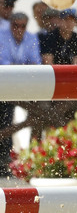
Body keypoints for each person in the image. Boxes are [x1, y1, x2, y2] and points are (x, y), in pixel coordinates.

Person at [0, 12, 41, 176]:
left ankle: (31, 159)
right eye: (15, 25)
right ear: (10, 25)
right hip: (5, 85)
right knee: (6, 119)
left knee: (38, 115)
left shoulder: (31, 38)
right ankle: (5, 161)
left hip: (23, 86)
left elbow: (36, 62)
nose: (19, 29)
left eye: (22, 26)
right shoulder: (2, 36)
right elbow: (3, 62)